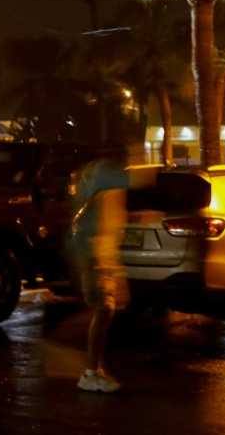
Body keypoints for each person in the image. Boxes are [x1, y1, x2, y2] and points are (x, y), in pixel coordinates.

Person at [69, 145, 130, 393]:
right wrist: (102, 259)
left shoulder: (101, 177)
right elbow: (101, 222)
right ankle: (91, 373)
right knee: (103, 309)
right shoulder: (107, 176)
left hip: (100, 253)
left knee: (105, 310)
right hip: (96, 253)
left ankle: (96, 368)